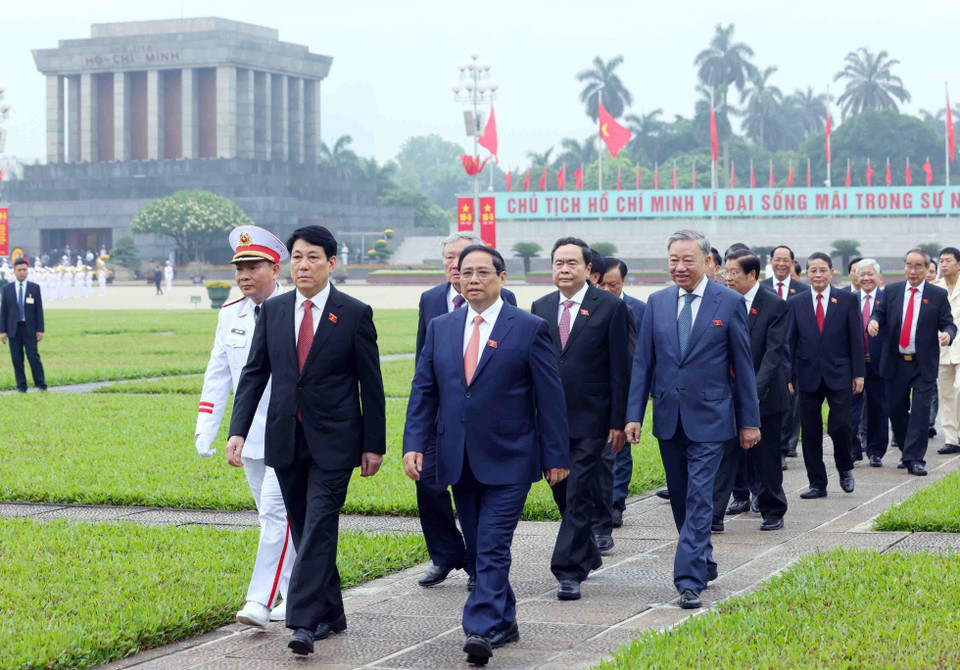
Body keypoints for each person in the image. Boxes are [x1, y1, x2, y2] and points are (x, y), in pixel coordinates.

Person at [403, 244, 569, 666]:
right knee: (478, 546)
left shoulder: (528, 327)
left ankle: (479, 626)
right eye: (465, 272)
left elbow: (549, 398)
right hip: (458, 457)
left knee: (493, 544)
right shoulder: (442, 326)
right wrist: (414, 443)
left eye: (482, 272)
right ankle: (505, 619)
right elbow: (424, 390)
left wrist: (557, 455)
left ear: (501, 277)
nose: (472, 279)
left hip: (511, 455)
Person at [227, 225, 386, 656]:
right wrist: (237, 431)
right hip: (285, 438)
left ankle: (302, 620)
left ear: (331, 263)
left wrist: (375, 444)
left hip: (335, 443)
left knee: (318, 525)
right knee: (304, 527)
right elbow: (255, 375)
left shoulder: (353, 312)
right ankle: (332, 612)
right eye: (297, 256)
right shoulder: (274, 311)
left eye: (313, 257)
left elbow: (370, 385)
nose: (304, 265)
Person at [625, 229, 760, 610]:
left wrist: (749, 421)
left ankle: (688, 579)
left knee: (701, 496)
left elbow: (743, 366)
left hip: (713, 418)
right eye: (674, 260)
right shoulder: (657, 302)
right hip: (669, 417)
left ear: (707, 262)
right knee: (682, 500)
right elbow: (643, 364)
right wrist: (634, 414)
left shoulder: (729, 302)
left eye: (688, 260)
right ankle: (703, 558)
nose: (680, 267)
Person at [196, 225, 294, 629]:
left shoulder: (297, 308)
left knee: (275, 512)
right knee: (274, 518)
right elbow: (218, 373)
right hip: (250, 435)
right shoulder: (230, 315)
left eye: (253, 267)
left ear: (275, 268)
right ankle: (302, 592)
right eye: (239, 268)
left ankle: (260, 600)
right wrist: (207, 427)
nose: (243, 276)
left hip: (292, 433)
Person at [413, 232, 517, 590]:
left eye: (462, 259)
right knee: (428, 483)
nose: (455, 267)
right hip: (440, 415)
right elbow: (421, 360)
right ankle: (445, 554)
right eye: (449, 259)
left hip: (482, 420)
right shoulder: (431, 300)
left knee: (475, 493)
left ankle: (478, 564)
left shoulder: (501, 300)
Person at [532, 237, 633, 601]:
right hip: (551, 422)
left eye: (571, 263)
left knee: (576, 496)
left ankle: (568, 570)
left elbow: (622, 367)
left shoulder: (608, 307)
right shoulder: (539, 307)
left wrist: (620, 420)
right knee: (561, 492)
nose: (563, 269)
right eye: (558, 262)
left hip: (593, 420)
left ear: (588, 269)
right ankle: (587, 550)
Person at [713, 249, 789, 532]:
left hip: (764, 396)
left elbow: (773, 355)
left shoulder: (774, 304)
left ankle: (772, 510)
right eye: (726, 272)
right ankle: (715, 513)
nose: (728, 278)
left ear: (752, 275)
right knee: (724, 455)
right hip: (726, 393)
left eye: (734, 273)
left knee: (766, 457)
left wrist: (751, 394)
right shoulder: (720, 300)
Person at [868, 248, 956, 476]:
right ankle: (909, 449)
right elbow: (879, 313)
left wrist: (948, 334)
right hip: (896, 362)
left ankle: (915, 459)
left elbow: (948, 323)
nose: (912, 270)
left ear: (927, 269)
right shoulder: (892, 291)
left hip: (922, 363)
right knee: (895, 409)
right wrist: (873, 321)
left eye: (918, 266)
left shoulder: (936, 295)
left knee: (920, 412)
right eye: (909, 265)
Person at [787, 252, 864, 499]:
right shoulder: (796, 302)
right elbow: (790, 343)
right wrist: (789, 377)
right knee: (810, 431)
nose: (817, 275)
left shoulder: (847, 300)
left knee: (840, 426)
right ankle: (817, 483)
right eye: (813, 270)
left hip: (840, 373)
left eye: (822, 270)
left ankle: (844, 467)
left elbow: (856, 339)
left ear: (832, 273)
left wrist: (859, 374)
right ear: (806, 273)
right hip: (807, 375)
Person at [598, 257, 646, 528]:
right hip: (593, 390)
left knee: (620, 448)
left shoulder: (638, 309)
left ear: (624, 282)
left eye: (612, 285)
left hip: (626, 389)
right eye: (601, 284)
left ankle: (616, 504)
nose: (606, 290)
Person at [763, 245, 809, 464]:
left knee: (791, 404)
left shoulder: (802, 290)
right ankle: (776, 448)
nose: (781, 264)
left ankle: (784, 447)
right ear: (771, 262)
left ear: (792, 263)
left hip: (796, 355)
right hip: (769, 355)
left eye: (786, 260)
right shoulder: (761, 288)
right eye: (777, 259)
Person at [854, 259, 889, 467]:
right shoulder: (849, 298)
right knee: (850, 410)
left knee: (878, 408)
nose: (866, 278)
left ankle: (876, 451)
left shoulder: (887, 299)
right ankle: (853, 449)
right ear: (857, 278)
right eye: (862, 275)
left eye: (870, 274)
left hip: (879, 363)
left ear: (879, 278)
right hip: (854, 363)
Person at [0, 258, 47, 392]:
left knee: (33, 357)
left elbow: (39, 310)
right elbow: (3, 311)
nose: (22, 272)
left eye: (24, 270)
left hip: (30, 328)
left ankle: (41, 385)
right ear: (14, 271)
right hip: (13, 329)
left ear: (28, 271)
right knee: (17, 359)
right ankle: (21, 386)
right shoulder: (7, 289)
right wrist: (3, 331)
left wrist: (40, 329)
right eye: (19, 270)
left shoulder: (34, 288)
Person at [935, 247, 960, 455]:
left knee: (959, 390)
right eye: (941, 261)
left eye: (948, 260)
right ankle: (951, 439)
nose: (943, 264)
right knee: (946, 395)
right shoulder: (935, 288)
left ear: (958, 264)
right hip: (941, 350)